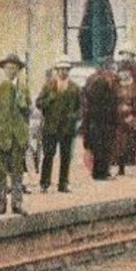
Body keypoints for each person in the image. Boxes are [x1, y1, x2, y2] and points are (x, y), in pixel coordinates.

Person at [0, 52, 32, 214]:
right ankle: (1, 204)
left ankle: (17, 203)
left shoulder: (23, 89)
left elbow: (27, 112)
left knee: (17, 174)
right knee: (0, 173)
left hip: (17, 138)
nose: (11, 70)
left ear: (19, 70)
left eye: (14, 68)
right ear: (4, 69)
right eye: (8, 68)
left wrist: (25, 134)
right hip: (0, 138)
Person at [36, 58, 81, 193]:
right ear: (56, 71)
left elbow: (82, 108)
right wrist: (49, 99)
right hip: (50, 127)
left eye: (66, 70)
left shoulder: (74, 88)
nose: (63, 72)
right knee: (48, 155)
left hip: (67, 128)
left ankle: (63, 183)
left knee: (65, 157)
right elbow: (38, 103)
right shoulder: (48, 86)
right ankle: (44, 183)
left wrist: (74, 116)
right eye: (61, 70)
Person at [82, 61, 119, 181]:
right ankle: (101, 173)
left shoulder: (93, 80)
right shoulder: (104, 82)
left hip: (96, 121)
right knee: (103, 148)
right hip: (103, 121)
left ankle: (100, 172)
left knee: (99, 148)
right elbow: (111, 102)